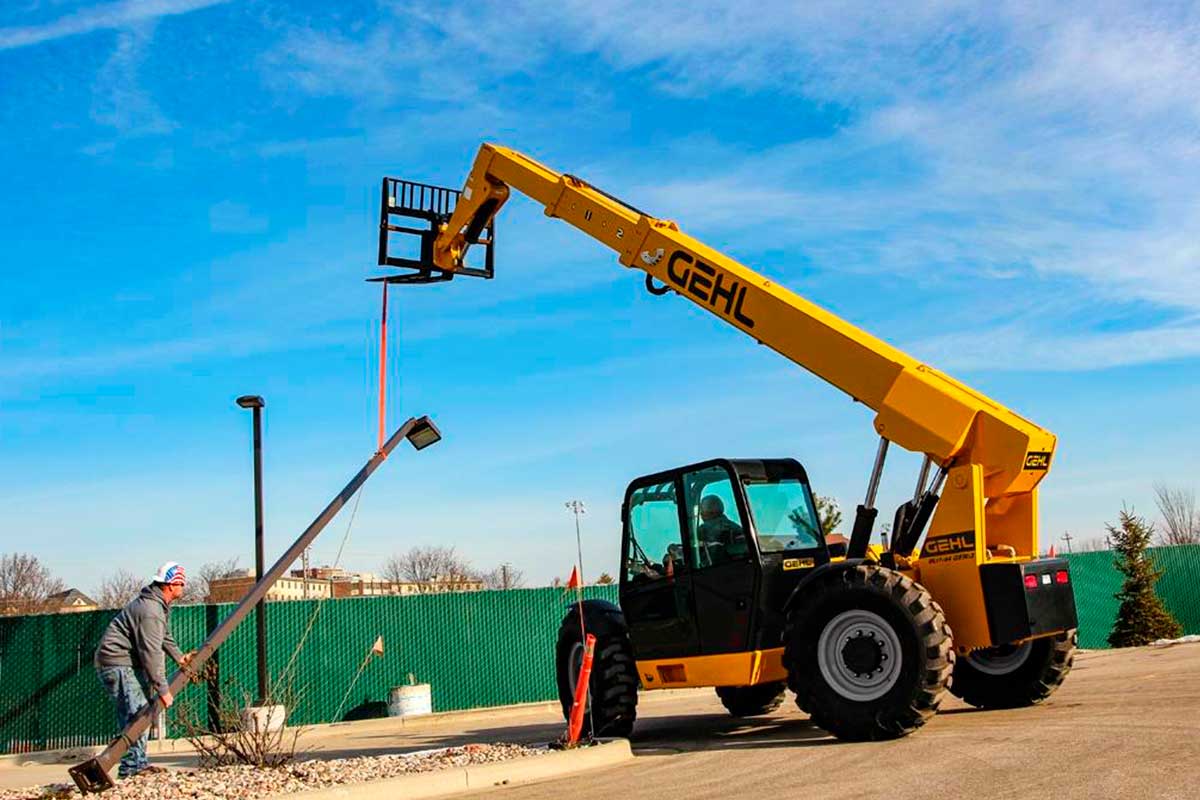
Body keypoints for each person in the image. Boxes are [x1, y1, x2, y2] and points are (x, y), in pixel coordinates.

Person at [94, 562, 191, 779]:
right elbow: (151, 653)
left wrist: (179, 657)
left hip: (120, 663)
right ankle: (132, 768)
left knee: (137, 713)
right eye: (181, 583)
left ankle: (137, 764)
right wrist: (164, 689)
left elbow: (163, 636)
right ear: (171, 584)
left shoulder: (156, 606)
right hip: (118, 664)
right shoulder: (151, 611)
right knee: (137, 715)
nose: (183, 587)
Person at [696, 495, 748, 564]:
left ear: (706, 511)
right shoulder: (737, 528)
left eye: (702, 510)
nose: (701, 514)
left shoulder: (702, 530)